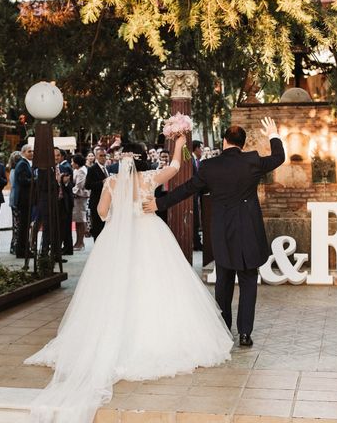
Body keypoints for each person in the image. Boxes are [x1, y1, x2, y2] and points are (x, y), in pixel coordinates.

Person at [25, 135, 232, 423]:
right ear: (142, 159)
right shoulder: (149, 178)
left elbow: (101, 212)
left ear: (122, 160)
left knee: (111, 290)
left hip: (116, 242)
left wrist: (118, 215)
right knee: (157, 287)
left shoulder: (111, 183)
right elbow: (174, 166)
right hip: (151, 234)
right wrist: (179, 143)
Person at [144, 117, 285, 347]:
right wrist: (273, 134)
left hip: (223, 232)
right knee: (249, 282)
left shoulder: (210, 167)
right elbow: (279, 157)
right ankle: (245, 334)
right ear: (242, 143)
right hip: (249, 231)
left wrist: (159, 204)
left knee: (224, 282)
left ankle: (223, 330)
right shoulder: (252, 161)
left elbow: (187, 189)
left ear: (224, 141)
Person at [14, 144, 34, 258]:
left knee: (25, 226)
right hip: (23, 199)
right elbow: (23, 180)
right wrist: (36, 179)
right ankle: (22, 250)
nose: (32, 153)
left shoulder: (26, 163)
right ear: (23, 153)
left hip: (26, 199)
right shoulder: (22, 164)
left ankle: (23, 249)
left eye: (32, 151)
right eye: (29, 151)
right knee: (23, 226)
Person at [84, 148, 109, 241]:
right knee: (97, 227)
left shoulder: (107, 168)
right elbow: (87, 185)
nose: (103, 158)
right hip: (96, 202)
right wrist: (101, 183)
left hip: (107, 202)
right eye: (101, 156)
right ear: (96, 157)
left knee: (105, 226)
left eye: (104, 155)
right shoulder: (92, 169)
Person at [71, 154, 89, 250]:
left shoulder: (81, 171)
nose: (71, 164)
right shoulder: (77, 170)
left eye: (72, 162)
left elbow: (79, 185)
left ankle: (80, 242)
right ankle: (78, 242)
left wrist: (71, 191)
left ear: (77, 163)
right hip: (78, 197)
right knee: (78, 221)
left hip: (80, 197)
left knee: (80, 220)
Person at [7, 151, 22, 255]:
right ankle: (15, 246)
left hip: (14, 200)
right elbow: (15, 186)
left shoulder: (13, 170)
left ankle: (15, 246)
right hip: (16, 200)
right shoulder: (14, 171)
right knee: (17, 225)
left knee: (17, 225)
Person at [192, 140, 204, 251]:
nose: (202, 151)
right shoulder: (190, 160)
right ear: (196, 148)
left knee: (196, 219)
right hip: (191, 195)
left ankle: (197, 242)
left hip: (196, 195)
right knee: (194, 219)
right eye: (201, 148)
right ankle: (196, 242)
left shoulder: (196, 161)